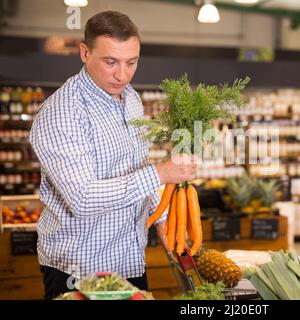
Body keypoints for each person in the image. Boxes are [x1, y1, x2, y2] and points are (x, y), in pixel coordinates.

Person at [29, 10, 196, 300]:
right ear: (84, 52)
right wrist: (161, 173)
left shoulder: (130, 98)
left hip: (130, 259)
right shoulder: (62, 112)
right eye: (110, 62)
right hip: (80, 271)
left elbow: (137, 165)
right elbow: (82, 197)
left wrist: (162, 218)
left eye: (131, 63)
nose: (122, 74)